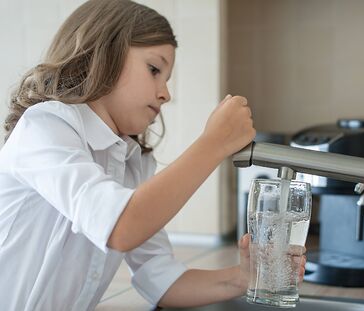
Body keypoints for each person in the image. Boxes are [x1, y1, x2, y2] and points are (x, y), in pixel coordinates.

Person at [0, 0, 306, 310]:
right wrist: (214, 143)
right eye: (154, 69)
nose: (165, 93)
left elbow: (162, 281)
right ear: (105, 53)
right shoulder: (45, 126)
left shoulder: (133, 163)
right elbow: (120, 228)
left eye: (166, 79)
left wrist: (244, 277)